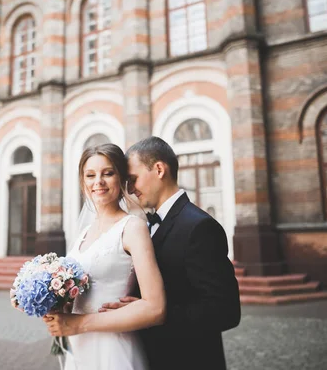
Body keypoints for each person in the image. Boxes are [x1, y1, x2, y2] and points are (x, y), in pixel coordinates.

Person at [44, 137, 241, 370]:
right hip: (131, 349)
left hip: (187, 358)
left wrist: (151, 312)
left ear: (159, 169)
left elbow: (225, 310)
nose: (130, 188)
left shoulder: (199, 226)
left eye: (132, 179)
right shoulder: (144, 223)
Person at [42, 143, 165, 370]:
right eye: (90, 175)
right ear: (83, 182)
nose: (98, 181)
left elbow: (155, 308)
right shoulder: (83, 234)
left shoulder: (132, 227)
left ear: (121, 179)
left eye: (107, 173)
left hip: (113, 349)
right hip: (78, 349)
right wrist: (40, 299)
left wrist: (79, 324)